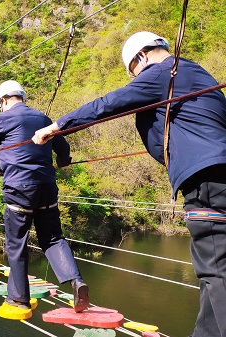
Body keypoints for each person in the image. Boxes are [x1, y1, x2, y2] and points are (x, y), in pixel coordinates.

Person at [32, 31, 226, 335]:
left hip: (208, 183)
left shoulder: (162, 72)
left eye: (132, 72)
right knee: (214, 272)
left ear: (143, 56)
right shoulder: (199, 74)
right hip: (215, 177)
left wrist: (55, 128)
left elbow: (108, 104)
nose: (135, 78)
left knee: (217, 272)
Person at [0, 80, 88, 313]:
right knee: (53, 238)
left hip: (19, 189)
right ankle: (76, 281)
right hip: (46, 187)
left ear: (3, 100)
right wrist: (63, 163)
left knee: (17, 244)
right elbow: (63, 148)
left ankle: (19, 298)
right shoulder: (43, 118)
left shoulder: (4, 118)